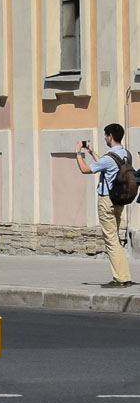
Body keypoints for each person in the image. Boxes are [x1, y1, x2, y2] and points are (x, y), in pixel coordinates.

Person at [76, 123, 133, 288]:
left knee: (111, 240)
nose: (104, 138)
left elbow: (85, 169)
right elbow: (106, 165)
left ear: (109, 136)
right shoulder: (125, 154)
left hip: (107, 201)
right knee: (115, 238)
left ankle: (121, 278)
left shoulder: (110, 157)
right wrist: (92, 151)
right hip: (119, 201)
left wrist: (78, 152)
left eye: (105, 135)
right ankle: (124, 276)